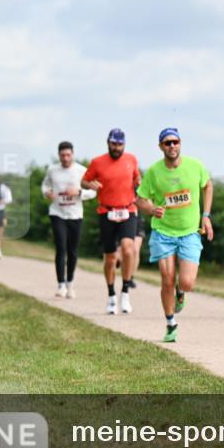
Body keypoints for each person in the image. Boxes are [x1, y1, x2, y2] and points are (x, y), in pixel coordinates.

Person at [136, 128, 214, 342]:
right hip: (163, 233)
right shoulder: (154, 171)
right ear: (160, 146)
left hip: (189, 232)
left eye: (175, 142)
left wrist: (206, 216)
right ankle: (171, 324)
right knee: (167, 278)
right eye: (167, 143)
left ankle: (181, 293)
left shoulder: (194, 166)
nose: (172, 146)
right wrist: (151, 209)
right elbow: (140, 199)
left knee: (187, 282)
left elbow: (208, 185)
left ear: (180, 143)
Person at [82, 128, 142, 315]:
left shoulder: (131, 160)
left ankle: (125, 292)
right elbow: (84, 181)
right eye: (114, 144)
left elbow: (137, 178)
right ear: (108, 143)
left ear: (124, 145)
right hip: (106, 212)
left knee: (128, 248)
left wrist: (140, 185)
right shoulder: (97, 162)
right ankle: (111, 296)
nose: (117, 147)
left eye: (120, 144)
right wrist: (90, 184)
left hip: (128, 210)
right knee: (110, 257)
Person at [42, 141, 97, 298]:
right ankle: (61, 285)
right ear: (59, 155)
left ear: (73, 154)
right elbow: (45, 186)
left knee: (72, 250)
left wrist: (79, 193)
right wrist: (47, 193)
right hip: (57, 213)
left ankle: (70, 283)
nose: (65, 158)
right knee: (61, 247)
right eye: (62, 155)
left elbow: (93, 191)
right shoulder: (52, 170)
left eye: (68, 155)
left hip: (75, 214)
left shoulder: (81, 170)